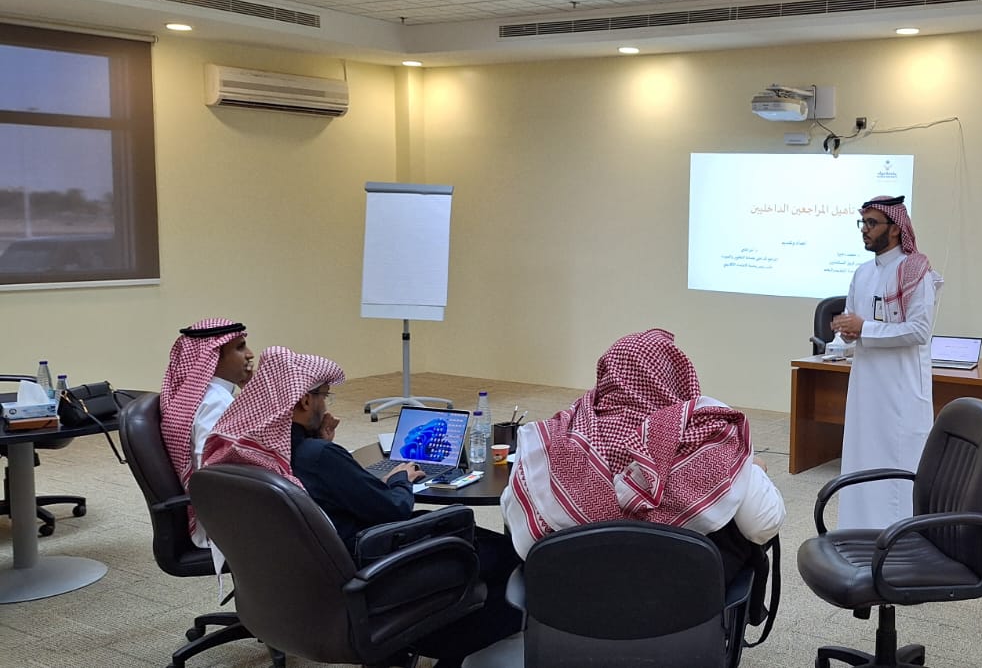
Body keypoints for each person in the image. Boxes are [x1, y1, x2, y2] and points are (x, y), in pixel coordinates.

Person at [200, 346, 521, 668]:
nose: (326, 404)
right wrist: (401, 478)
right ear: (305, 400)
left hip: (310, 586)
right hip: (373, 566)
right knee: (510, 556)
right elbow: (394, 509)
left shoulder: (252, 455)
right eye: (324, 395)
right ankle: (448, 647)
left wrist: (322, 444)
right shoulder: (319, 457)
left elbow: (322, 487)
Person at [502, 329, 784, 586]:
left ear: (606, 376)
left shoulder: (554, 441)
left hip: (570, 605)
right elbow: (762, 525)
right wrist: (754, 470)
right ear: (677, 377)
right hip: (681, 606)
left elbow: (516, 524)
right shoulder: (709, 440)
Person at [829, 195, 943, 529]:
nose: (864, 230)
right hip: (866, 388)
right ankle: (857, 530)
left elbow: (919, 331)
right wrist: (845, 333)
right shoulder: (862, 273)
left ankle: (900, 534)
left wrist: (864, 328)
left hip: (900, 390)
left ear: (895, 229)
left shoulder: (916, 272)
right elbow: (854, 326)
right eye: (862, 223)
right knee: (862, 458)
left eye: (872, 223)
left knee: (898, 461)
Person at [159, 317, 252, 546]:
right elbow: (214, 474)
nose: (250, 354)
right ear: (213, 356)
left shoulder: (204, 395)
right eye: (240, 347)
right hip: (221, 522)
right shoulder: (215, 403)